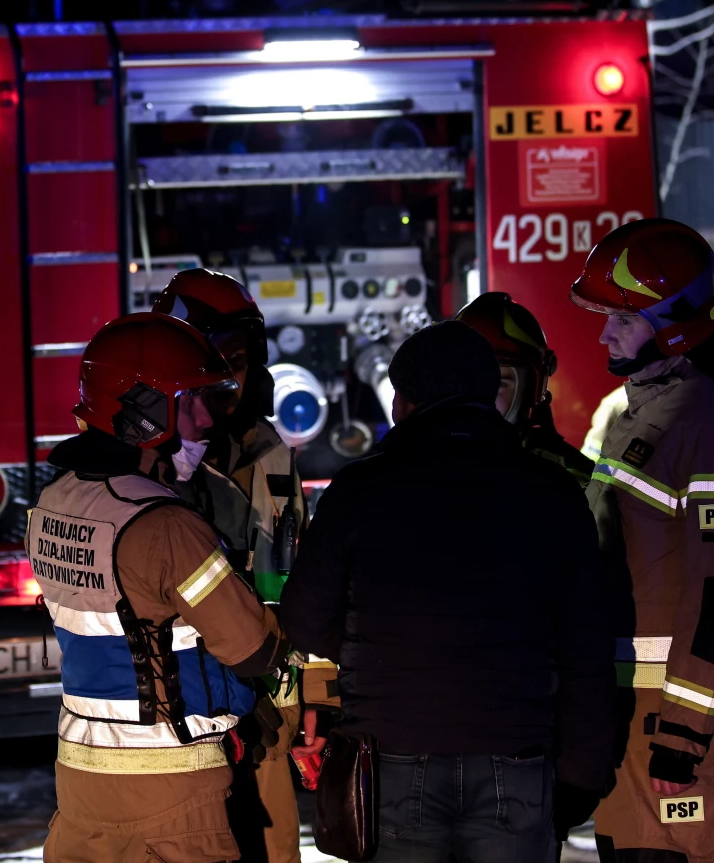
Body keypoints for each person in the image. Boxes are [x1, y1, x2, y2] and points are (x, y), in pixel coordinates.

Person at [279, 319, 615, 863]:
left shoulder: (360, 490)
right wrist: (582, 774)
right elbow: (587, 647)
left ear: (404, 402)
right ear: (489, 395)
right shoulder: (553, 493)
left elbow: (303, 618)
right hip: (518, 756)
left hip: (393, 758)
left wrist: (375, 650)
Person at [31, 312, 291, 863]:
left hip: (81, 788)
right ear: (144, 412)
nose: (207, 421)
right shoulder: (166, 525)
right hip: (172, 799)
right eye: (192, 402)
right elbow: (252, 648)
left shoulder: (55, 501)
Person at [569, 218, 714, 863]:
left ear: (675, 324)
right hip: (635, 721)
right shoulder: (648, 412)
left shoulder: (712, 422)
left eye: (623, 320)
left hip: (672, 733)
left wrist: (684, 736)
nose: (604, 334)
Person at [152, 268, 306, 863]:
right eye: (211, 362)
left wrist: (300, 701)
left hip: (263, 706)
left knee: (271, 848)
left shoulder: (268, 453)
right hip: (177, 716)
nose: (226, 379)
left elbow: (288, 578)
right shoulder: (147, 464)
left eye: (238, 361)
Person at [455, 291, 592, 485]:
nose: (479, 399)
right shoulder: (419, 465)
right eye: (466, 381)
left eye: (499, 383)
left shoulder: (571, 481)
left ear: (531, 390)